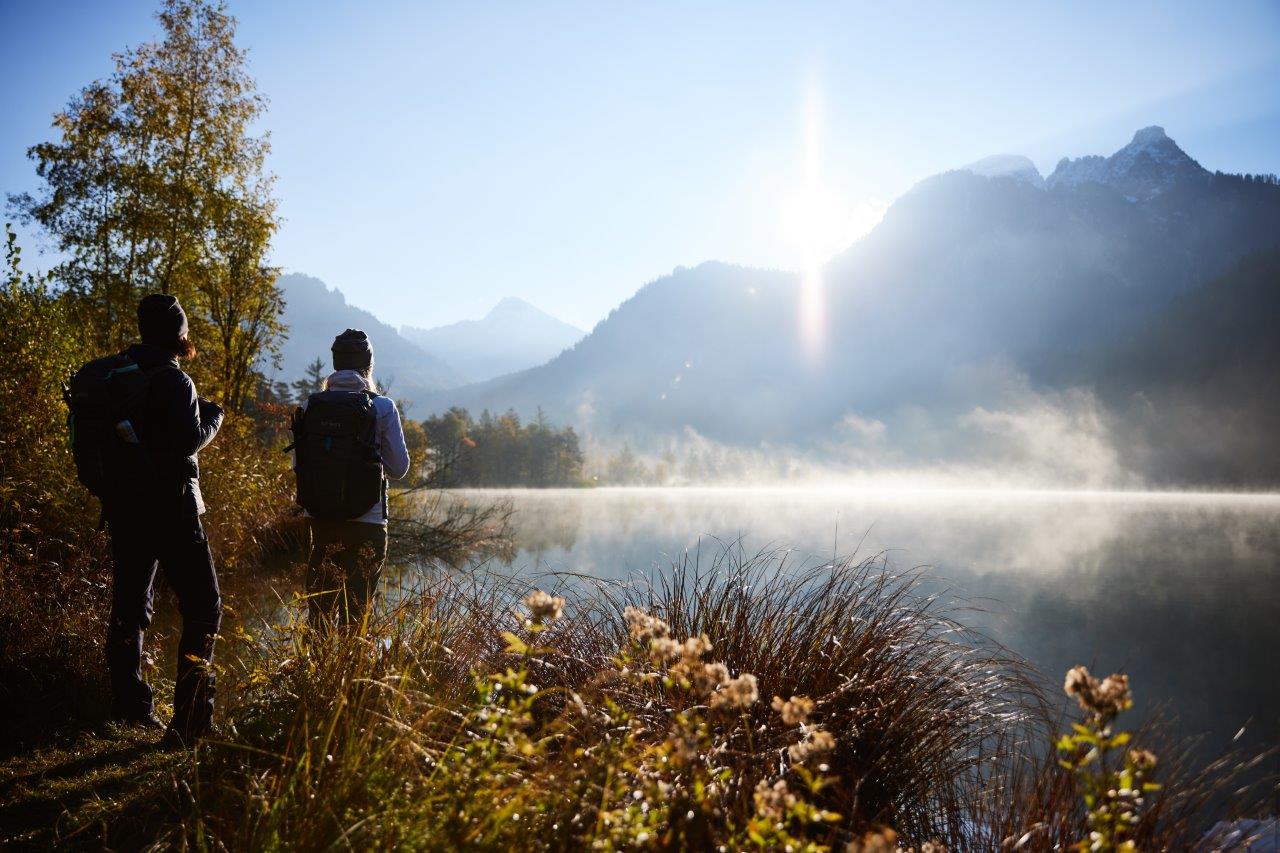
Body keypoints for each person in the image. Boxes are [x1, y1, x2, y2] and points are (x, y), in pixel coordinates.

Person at [104, 294, 224, 747]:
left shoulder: (117, 375)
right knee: (204, 608)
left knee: (130, 605)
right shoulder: (175, 381)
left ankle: (129, 707)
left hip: (124, 507)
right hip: (172, 509)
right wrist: (213, 416)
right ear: (179, 333)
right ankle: (190, 722)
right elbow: (187, 441)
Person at [296, 329, 411, 626]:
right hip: (368, 523)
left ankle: (314, 672)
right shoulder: (382, 407)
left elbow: (300, 465)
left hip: (320, 522)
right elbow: (399, 468)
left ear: (335, 363)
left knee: (319, 618)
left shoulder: (310, 406)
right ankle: (351, 672)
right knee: (355, 618)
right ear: (368, 364)